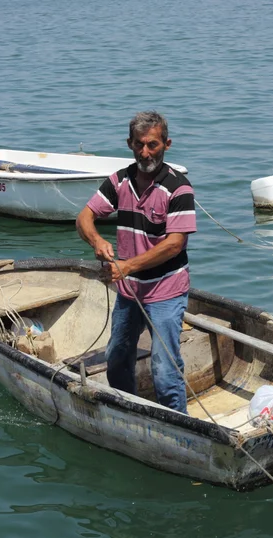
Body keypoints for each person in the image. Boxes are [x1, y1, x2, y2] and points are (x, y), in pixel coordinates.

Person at [76, 111, 196, 413]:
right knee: (116, 356)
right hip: (129, 293)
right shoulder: (120, 181)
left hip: (166, 292)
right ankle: (128, 413)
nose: (146, 153)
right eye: (139, 144)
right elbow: (85, 218)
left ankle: (180, 425)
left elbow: (174, 245)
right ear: (129, 144)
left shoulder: (179, 188)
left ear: (167, 144)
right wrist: (98, 242)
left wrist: (126, 267)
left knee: (165, 370)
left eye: (153, 145)